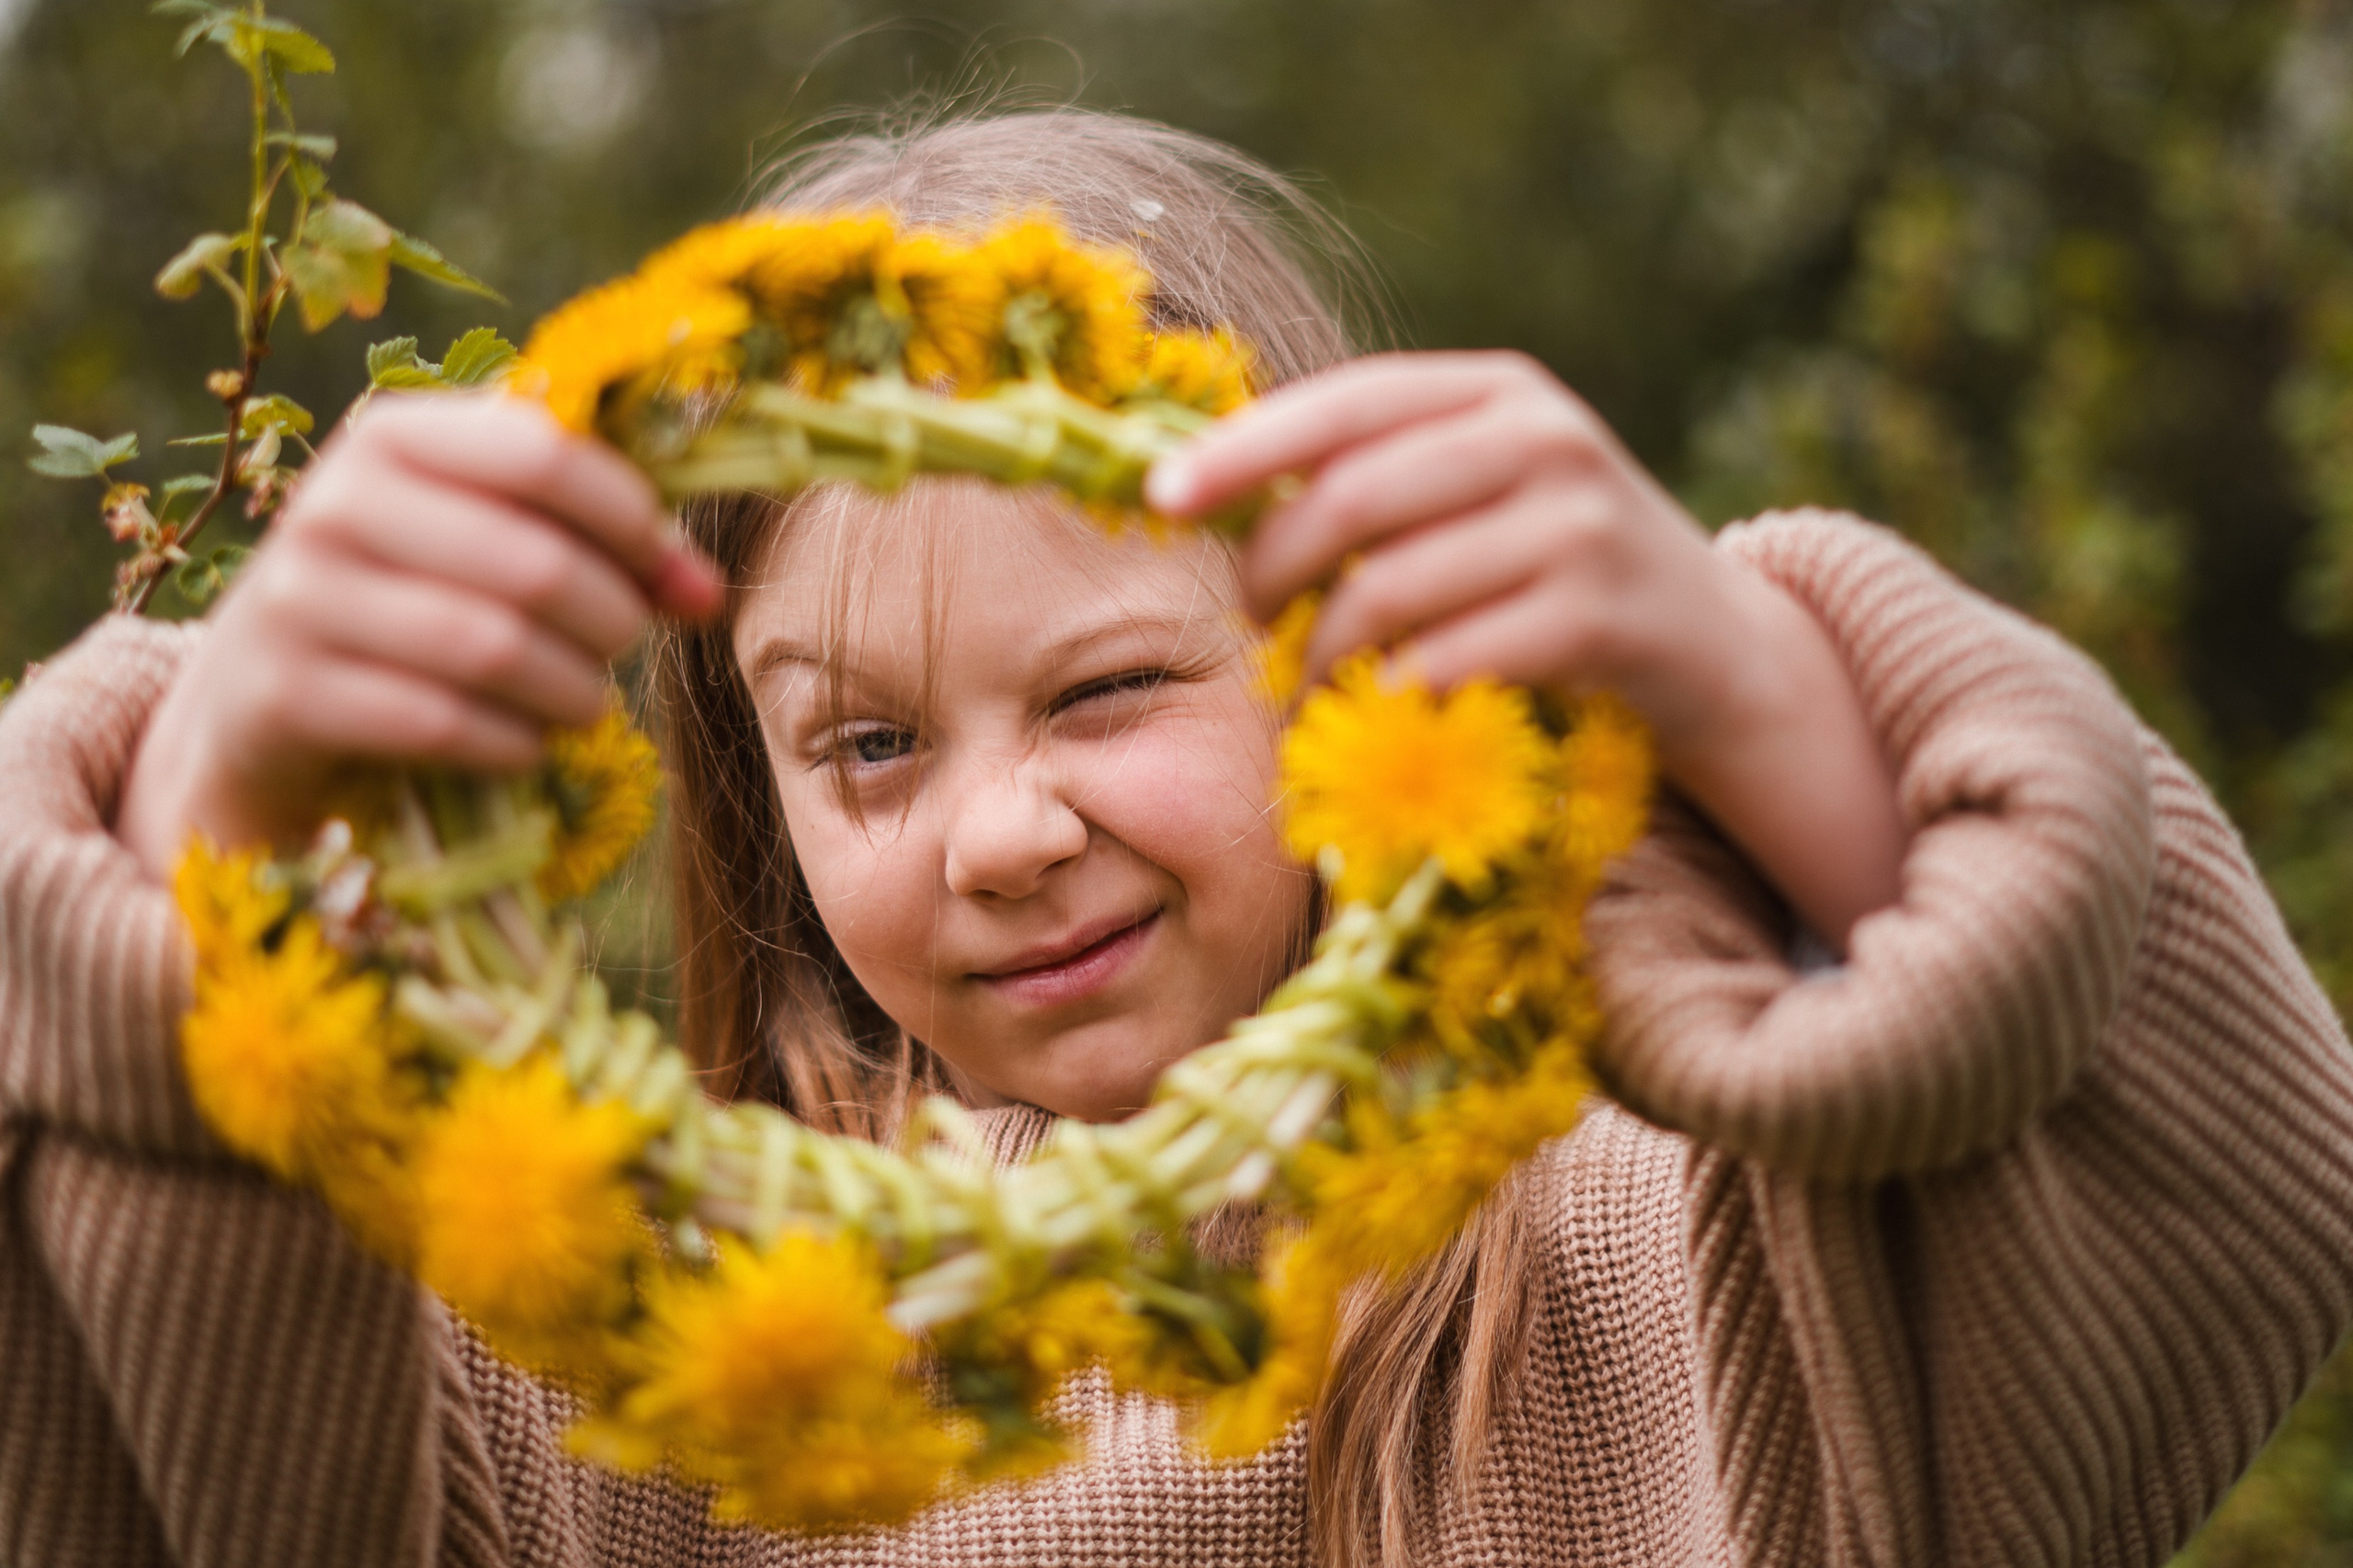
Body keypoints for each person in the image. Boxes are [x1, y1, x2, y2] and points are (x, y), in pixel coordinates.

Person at [5, 108, 2350, 1568]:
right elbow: (151, 1433)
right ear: (751, 793)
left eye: (1110, 691)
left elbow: (2173, 1208)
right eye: (868, 749)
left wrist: (1752, 696)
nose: (1005, 833)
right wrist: (202, 843)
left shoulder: (1657, 1245)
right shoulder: (633, 1344)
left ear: (1349, 662)